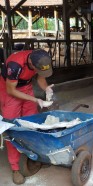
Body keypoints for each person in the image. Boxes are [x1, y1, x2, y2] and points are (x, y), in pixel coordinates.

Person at [0, 49, 54, 184]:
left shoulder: (40, 58)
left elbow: (41, 76)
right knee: (12, 127)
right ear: (30, 62)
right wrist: (36, 100)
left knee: (32, 123)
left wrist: (46, 88)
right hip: (9, 90)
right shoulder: (15, 64)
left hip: (26, 87)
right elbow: (11, 90)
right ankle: (15, 168)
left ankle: (35, 156)